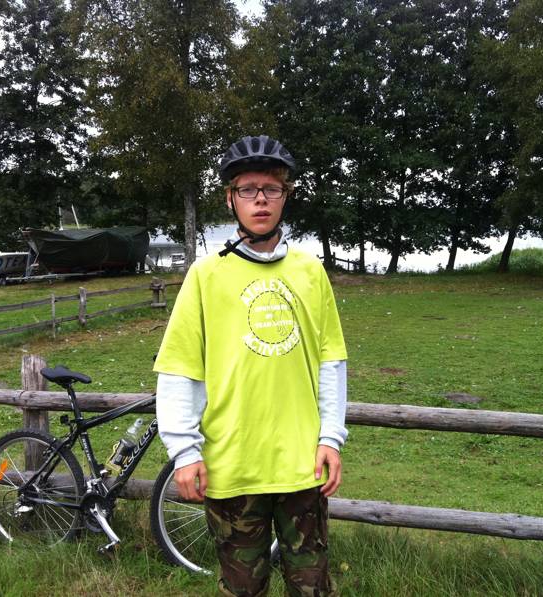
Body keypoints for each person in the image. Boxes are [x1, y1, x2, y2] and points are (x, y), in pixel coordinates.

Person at [153, 134, 348, 596]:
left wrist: (330, 437)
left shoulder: (310, 270)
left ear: (285, 196)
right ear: (231, 199)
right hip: (232, 466)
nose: (260, 199)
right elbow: (181, 368)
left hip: (302, 465)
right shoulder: (206, 275)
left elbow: (331, 361)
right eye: (247, 189)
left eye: (271, 188)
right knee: (243, 588)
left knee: (313, 586)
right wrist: (184, 452)